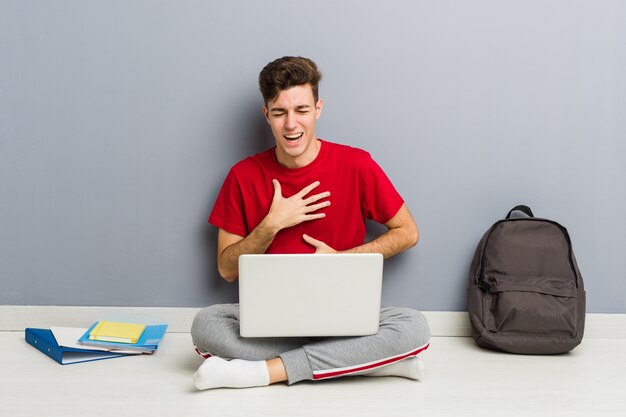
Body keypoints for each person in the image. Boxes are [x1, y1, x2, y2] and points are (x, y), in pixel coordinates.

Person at [191, 56, 431, 390]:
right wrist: (271, 224)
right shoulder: (242, 176)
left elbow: (408, 232)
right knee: (206, 325)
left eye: (301, 110)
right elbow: (227, 269)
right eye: (279, 112)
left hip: (345, 317)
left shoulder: (356, 164)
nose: (291, 124)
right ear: (267, 115)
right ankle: (361, 363)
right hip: (272, 321)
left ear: (318, 109)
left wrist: (341, 261)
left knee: (414, 326)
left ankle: (263, 372)